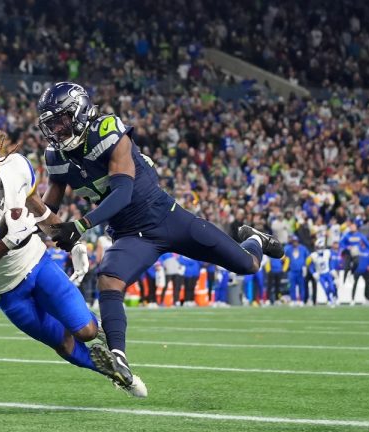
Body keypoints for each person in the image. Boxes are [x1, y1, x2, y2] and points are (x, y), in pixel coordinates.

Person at [37, 82, 283, 389]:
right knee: (109, 278)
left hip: (167, 218)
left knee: (248, 265)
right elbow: (49, 207)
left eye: (61, 119)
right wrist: (32, 229)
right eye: (52, 123)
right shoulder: (56, 157)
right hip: (130, 234)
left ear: (82, 111)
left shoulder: (108, 130)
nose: (57, 129)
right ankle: (117, 358)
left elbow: (123, 191)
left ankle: (255, 238)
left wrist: (81, 225)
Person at [0, 119, 144, 396]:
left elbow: (39, 211)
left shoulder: (15, 168)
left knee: (86, 332)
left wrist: (69, 237)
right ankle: (114, 373)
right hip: (6, 290)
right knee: (63, 344)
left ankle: (97, 331)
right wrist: (8, 242)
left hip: (37, 264)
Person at [307, 238, 338, 307]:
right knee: (325, 288)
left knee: (332, 287)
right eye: (318, 247)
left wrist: (332, 269)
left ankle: (334, 296)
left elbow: (332, 261)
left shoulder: (328, 252)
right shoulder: (313, 255)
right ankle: (330, 300)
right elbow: (310, 266)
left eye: (320, 247)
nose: (319, 249)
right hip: (320, 274)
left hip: (327, 273)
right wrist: (313, 273)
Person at [283, 235, 309, 305]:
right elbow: (285, 259)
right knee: (292, 286)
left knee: (302, 286)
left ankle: (302, 300)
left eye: (296, 241)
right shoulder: (289, 249)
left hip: (301, 270)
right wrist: (286, 268)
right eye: (293, 241)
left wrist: (305, 267)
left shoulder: (303, 249)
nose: (295, 243)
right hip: (292, 271)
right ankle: (293, 300)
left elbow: (308, 258)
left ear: (298, 241)